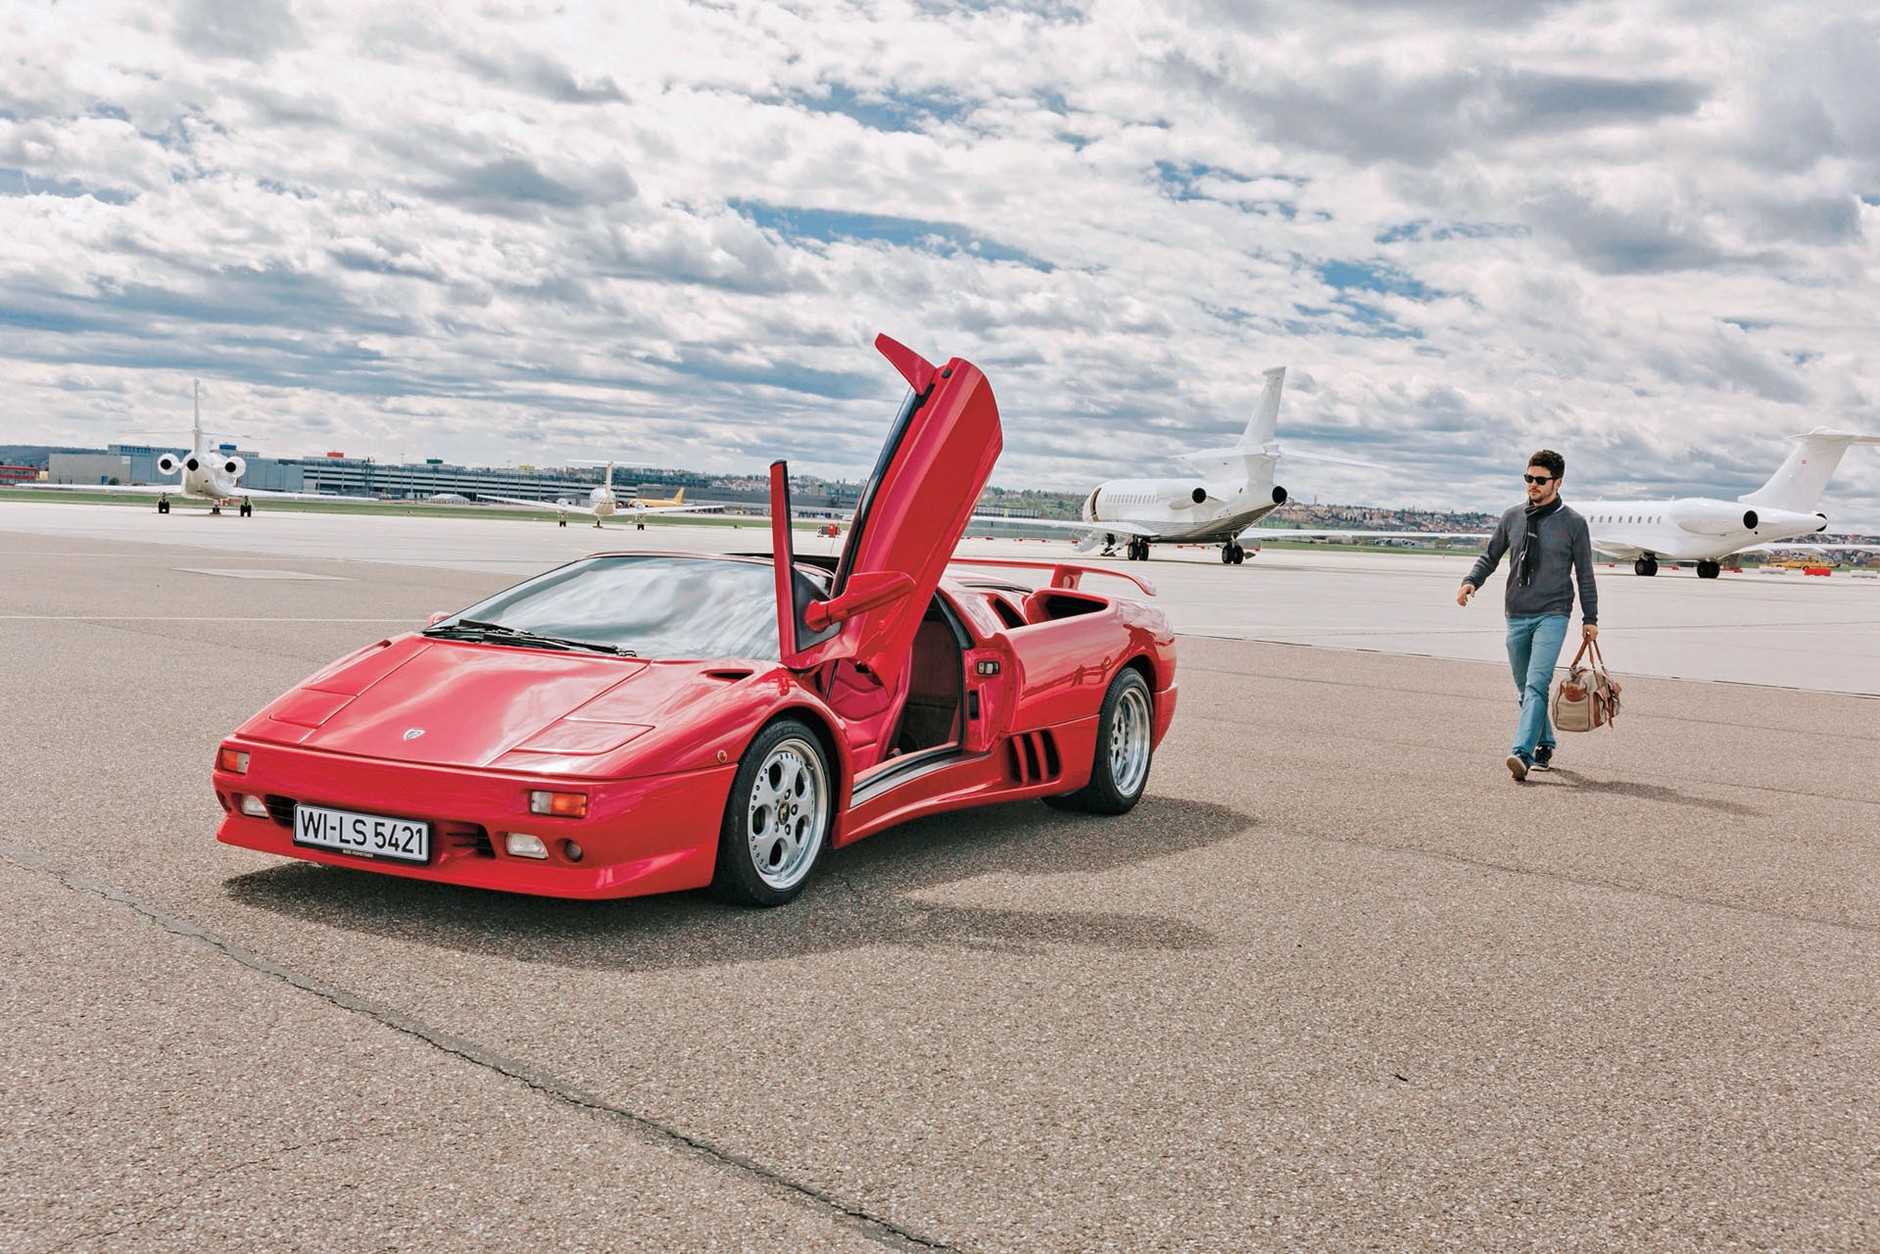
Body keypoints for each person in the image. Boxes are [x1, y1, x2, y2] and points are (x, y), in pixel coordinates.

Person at [1457, 449, 1599, 781]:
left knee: (1537, 684)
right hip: (1516, 613)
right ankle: (1545, 742)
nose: (1532, 485)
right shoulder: (1512, 517)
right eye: (1528, 478)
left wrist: (1589, 618)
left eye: (1540, 480)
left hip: (1553, 613)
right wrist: (1470, 581)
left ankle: (1522, 752)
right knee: (1524, 688)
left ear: (1557, 482)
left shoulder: (1574, 524)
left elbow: (1585, 575)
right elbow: (1490, 556)